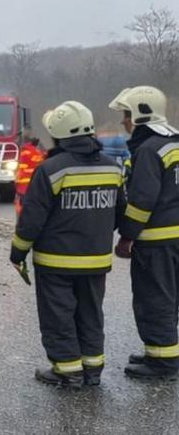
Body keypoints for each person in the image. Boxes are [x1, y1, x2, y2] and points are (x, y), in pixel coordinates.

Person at [10, 101, 125, 388]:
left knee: (58, 315)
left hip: (56, 261)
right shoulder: (112, 167)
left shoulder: (51, 169)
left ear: (58, 134)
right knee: (91, 314)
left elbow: (32, 219)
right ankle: (92, 370)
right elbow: (119, 212)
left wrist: (18, 252)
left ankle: (68, 370)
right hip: (96, 260)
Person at [109, 86, 179, 380]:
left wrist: (127, 236)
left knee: (155, 298)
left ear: (141, 115)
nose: (124, 121)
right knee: (170, 297)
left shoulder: (148, 150)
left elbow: (142, 201)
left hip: (157, 240)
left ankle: (163, 362)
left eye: (127, 115)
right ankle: (158, 351)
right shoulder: (173, 143)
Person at [14, 137, 45, 216]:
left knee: (22, 207)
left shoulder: (23, 151)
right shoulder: (36, 153)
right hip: (32, 185)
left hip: (21, 186)